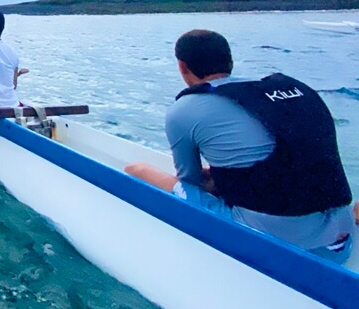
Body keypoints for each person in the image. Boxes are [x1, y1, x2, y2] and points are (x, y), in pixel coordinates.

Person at [124, 29, 355, 263]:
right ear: (230, 61)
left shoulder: (184, 109)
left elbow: (189, 181)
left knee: (137, 169)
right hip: (342, 237)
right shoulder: (290, 89)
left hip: (279, 245)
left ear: (182, 66)